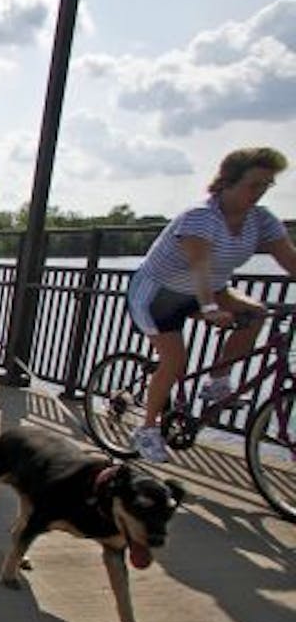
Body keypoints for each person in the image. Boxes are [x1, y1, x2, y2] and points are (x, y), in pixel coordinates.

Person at [126, 147, 296, 463]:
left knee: (256, 313)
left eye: (266, 185)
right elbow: (199, 265)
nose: (258, 193)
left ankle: (218, 380)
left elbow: (291, 261)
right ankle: (146, 429)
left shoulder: (261, 220)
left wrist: (212, 303)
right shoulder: (202, 216)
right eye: (253, 184)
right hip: (158, 293)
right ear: (227, 182)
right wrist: (208, 309)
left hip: (209, 289)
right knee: (175, 361)